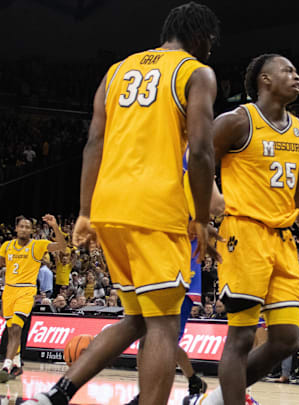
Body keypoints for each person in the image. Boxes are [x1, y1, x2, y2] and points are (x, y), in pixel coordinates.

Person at [29, 3, 220, 404]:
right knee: (165, 326)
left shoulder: (116, 71)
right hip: (155, 209)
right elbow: (201, 151)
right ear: (201, 37)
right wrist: (200, 218)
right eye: (211, 41)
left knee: (135, 319)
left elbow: (94, 143)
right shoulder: (194, 72)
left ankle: (58, 392)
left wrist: (84, 211)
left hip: (109, 207)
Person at [192, 53, 299, 405]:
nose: (297, 76)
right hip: (243, 235)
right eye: (289, 70)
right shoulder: (238, 121)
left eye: (298, 71)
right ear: (265, 80)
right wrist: (207, 206)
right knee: (241, 338)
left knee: (285, 340)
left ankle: (218, 399)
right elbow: (195, 157)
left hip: (283, 240)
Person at [127, 147, 225, 405]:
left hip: (182, 269)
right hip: (157, 262)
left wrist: (202, 223)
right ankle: (185, 381)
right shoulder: (161, 160)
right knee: (149, 338)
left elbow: (215, 207)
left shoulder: (190, 154)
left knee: (158, 340)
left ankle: (151, 396)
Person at [0, 215, 66, 381]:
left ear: (32, 231)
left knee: (16, 328)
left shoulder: (38, 245)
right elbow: (2, 263)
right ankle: (17, 362)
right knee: (10, 329)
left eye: (27, 227)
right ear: (16, 229)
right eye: (21, 226)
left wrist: (55, 227)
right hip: (8, 291)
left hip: (26, 291)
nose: (24, 229)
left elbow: (62, 246)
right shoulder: (6, 246)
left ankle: (6, 366)